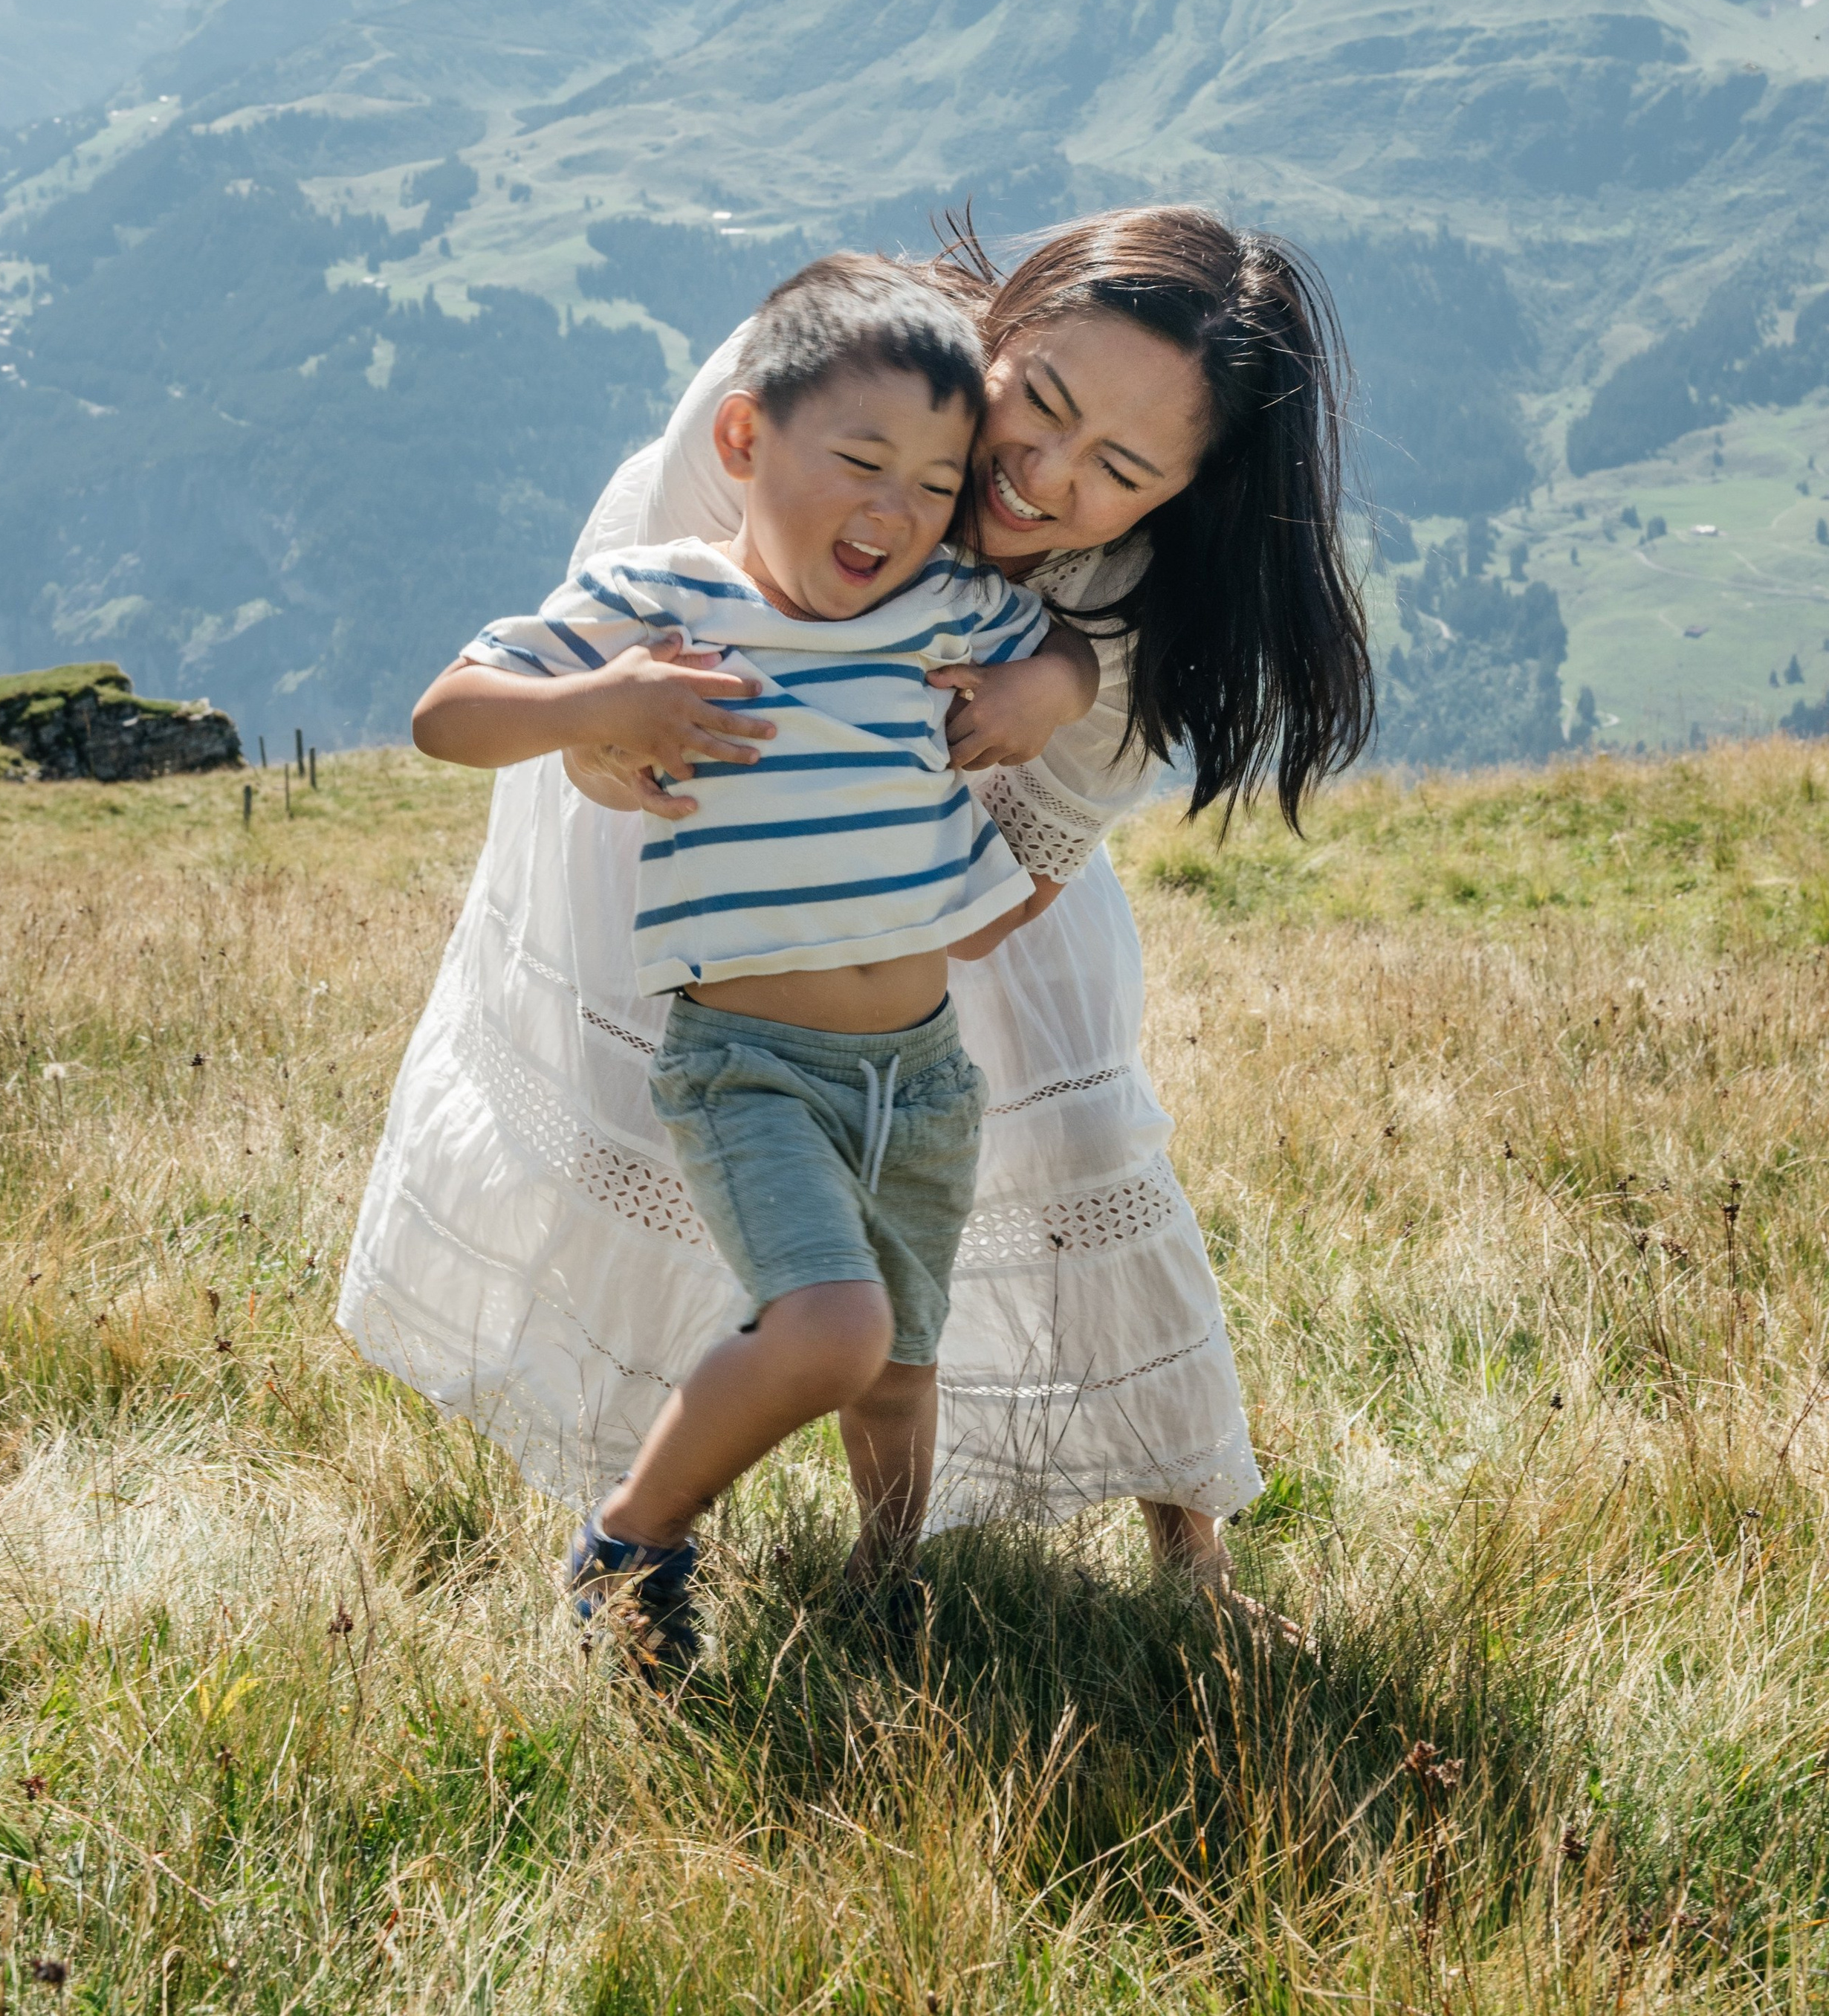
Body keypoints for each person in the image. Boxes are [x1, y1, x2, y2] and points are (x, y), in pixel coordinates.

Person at [340, 205, 1371, 1607]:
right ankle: (637, 1515)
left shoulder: (1129, 607)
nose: (1042, 477)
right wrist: (624, 744)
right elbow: (638, 667)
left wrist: (1015, 722)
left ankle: (1177, 1548)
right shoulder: (835, 372)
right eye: (1040, 404)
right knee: (661, 1123)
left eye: (1119, 467)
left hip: (946, 866)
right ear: (998, 330)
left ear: (1174, 500)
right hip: (701, 754)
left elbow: (1014, 893)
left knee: (1069, 1128)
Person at [427, 258, 1096, 1670]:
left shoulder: (946, 606)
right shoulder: (661, 601)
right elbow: (449, 714)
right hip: (750, 1069)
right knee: (835, 1326)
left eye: (933, 481)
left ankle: (881, 1584)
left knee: (900, 1367)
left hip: (921, 1075)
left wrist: (1045, 685)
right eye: (858, 461)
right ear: (743, 442)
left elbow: (1072, 656)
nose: (893, 510)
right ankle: (631, 1542)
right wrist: (601, 699)